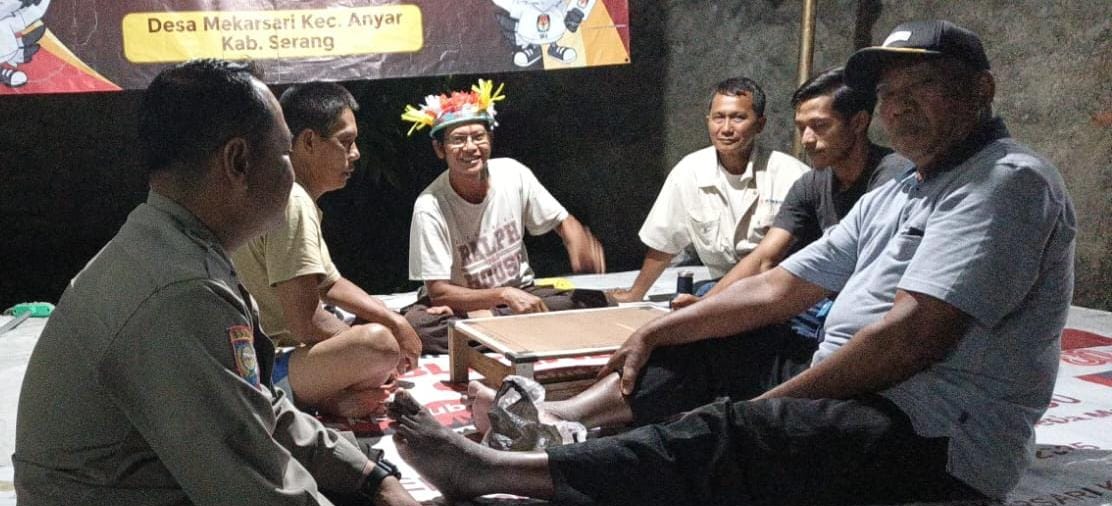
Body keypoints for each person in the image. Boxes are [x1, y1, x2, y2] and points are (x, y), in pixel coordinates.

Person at [390, 20, 1077, 506]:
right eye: (892, 93)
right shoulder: (906, 188)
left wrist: (778, 404)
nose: (900, 107)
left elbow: (908, 340)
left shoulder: (1004, 183)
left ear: (981, 90)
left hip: (934, 434)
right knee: (705, 338)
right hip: (864, 385)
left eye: (922, 87)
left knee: (739, 430)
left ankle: (503, 472)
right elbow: (780, 283)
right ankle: (559, 417)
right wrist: (659, 328)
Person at [7, 60, 447, 506]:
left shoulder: (177, 247)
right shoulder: (180, 290)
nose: (291, 174)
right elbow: (252, 483)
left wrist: (369, 476)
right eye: (284, 153)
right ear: (238, 162)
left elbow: (259, 407)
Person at [671, 66, 910, 350]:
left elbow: (873, 277)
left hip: (868, 310)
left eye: (819, 126)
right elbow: (764, 258)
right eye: (801, 127)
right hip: (819, 301)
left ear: (858, 122)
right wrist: (703, 307)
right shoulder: (812, 183)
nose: (807, 138)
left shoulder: (894, 177)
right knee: (710, 295)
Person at [232, 82, 422, 419]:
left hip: (267, 356)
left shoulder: (285, 193)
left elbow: (329, 283)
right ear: (308, 142)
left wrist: (393, 319)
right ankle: (312, 398)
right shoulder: (293, 201)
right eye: (345, 142)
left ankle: (329, 396)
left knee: (380, 329)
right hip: (264, 366)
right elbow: (305, 323)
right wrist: (376, 347)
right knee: (378, 345)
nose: (356, 154)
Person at [401, 79, 607, 354]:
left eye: (478, 137)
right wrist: (502, 295)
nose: (470, 147)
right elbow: (439, 292)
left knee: (597, 303)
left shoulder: (513, 173)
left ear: (490, 139)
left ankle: (490, 330)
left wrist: (576, 238)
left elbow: (562, 221)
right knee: (418, 327)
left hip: (521, 295)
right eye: (458, 140)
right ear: (440, 149)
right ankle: (525, 327)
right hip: (464, 304)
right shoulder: (430, 205)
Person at [610, 77, 809, 302]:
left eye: (738, 118)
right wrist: (635, 294)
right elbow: (664, 242)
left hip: (780, 289)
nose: (726, 129)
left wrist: (706, 303)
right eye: (718, 118)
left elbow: (777, 259)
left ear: (760, 124)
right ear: (708, 121)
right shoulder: (690, 171)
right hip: (719, 288)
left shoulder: (791, 175)